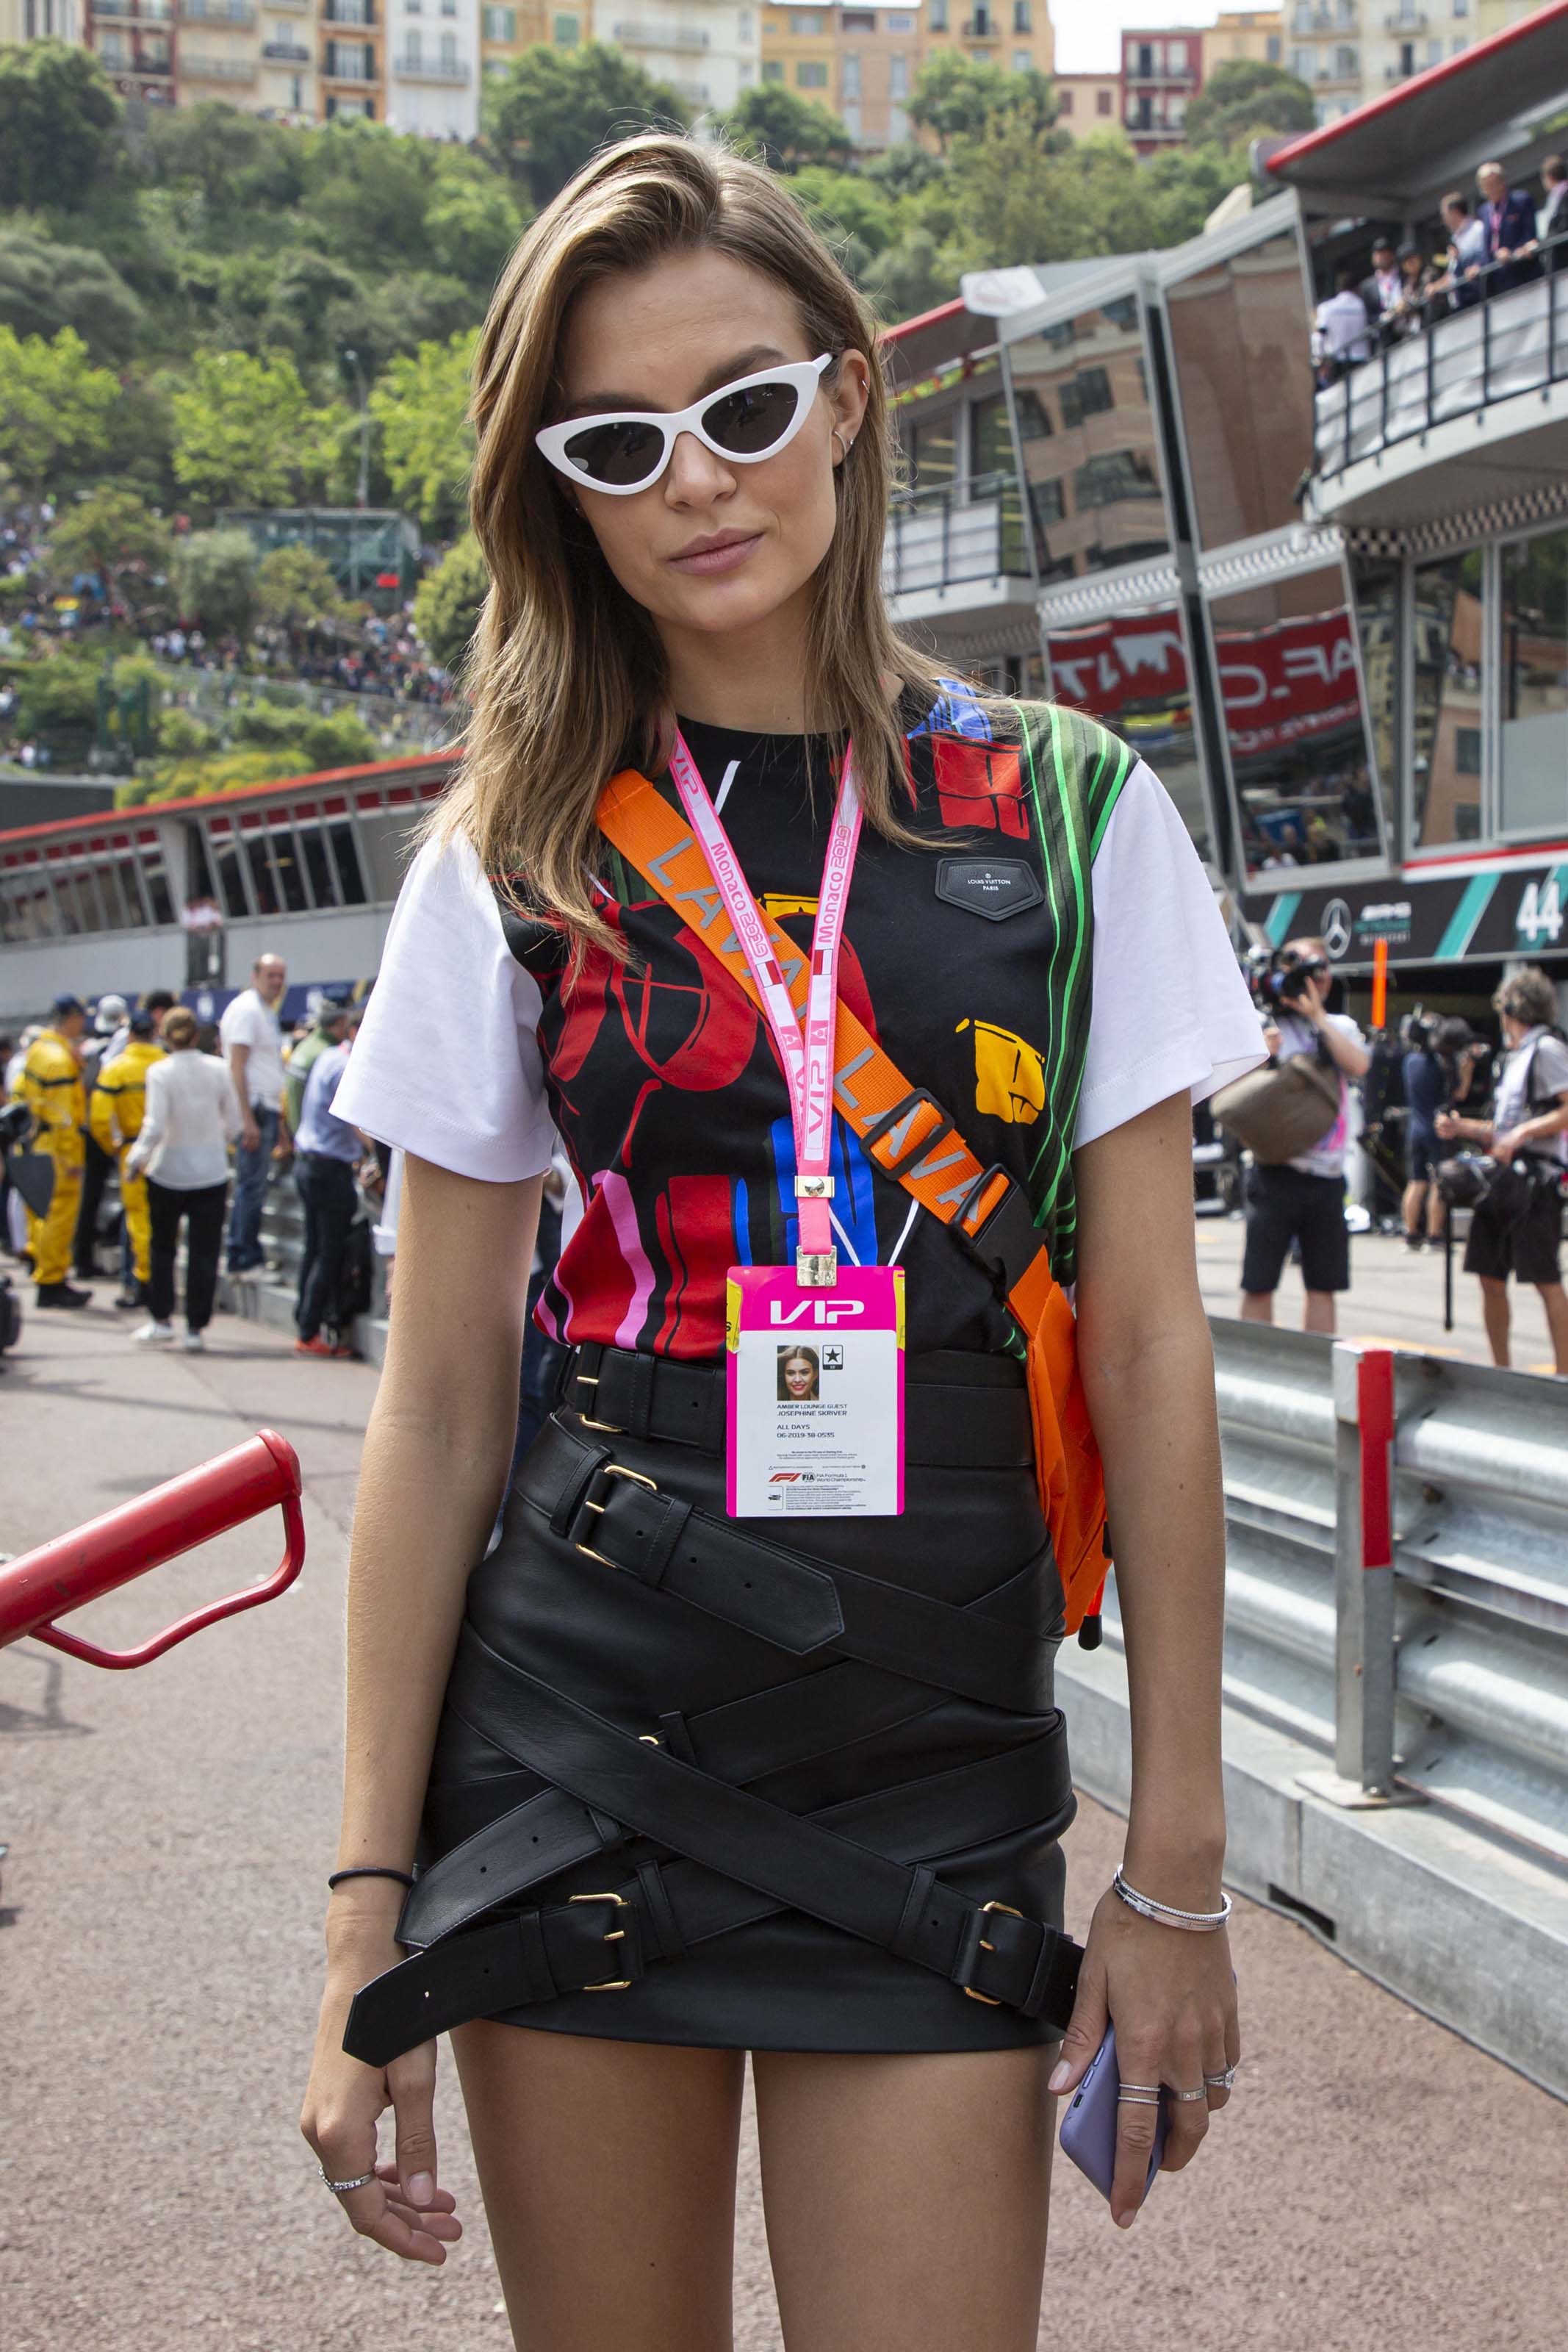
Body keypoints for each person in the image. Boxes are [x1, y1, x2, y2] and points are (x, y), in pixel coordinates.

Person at [302, 135, 1262, 2337]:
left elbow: (1147, 1351)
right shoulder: (512, 850)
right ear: (558, 484)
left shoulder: (1074, 804)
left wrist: (1176, 1870)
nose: (697, 481)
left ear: (844, 395)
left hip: (935, 1731)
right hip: (571, 1730)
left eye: (743, 405)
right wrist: (366, 1909)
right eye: (618, 441)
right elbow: (440, 1404)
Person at [1436, 968, 1568, 1376]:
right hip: (1500, 1181)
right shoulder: (1513, 1056)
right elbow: (1504, 1130)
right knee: (1489, 1276)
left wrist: (1525, 1133)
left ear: (1513, 1008)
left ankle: (1564, 1376)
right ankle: (1502, 1371)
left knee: (1545, 1279)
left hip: (1535, 1182)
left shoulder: (1547, 1048)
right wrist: (1463, 1128)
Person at [1239, 939, 1371, 1335]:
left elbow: (1359, 1065)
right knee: (1260, 1282)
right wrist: (1260, 1054)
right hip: (1275, 1172)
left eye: (1322, 971)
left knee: (1323, 1286)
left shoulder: (1338, 1027)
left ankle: (1320, 1375)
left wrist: (1317, 1016)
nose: (1316, 980)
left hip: (1328, 1179)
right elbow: (1234, 1095)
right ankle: (1257, 1369)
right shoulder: (1266, 1027)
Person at [125, 1005, 240, 1352]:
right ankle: (195, 1328)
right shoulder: (219, 1069)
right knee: (205, 1253)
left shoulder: (159, 1071)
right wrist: (217, 1141)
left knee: (162, 1248)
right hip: (211, 1171)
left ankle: (160, 1319)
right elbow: (233, 1122)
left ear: (165, 1035)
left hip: (167, 1172)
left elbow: (154, 1126)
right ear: (197, 1034)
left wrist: (135, 1159)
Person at [292, 1007, 364, 1360]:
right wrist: (372, 1160)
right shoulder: (346, 1065)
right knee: (328, 1252)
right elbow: (358, 1122)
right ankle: (308, 1330)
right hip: (328, 1168)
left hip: (310, 1161)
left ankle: (304, 1324)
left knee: (314, 1247)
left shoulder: (327, 1056)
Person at [14, 994, 90, 1309]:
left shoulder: (38, 1050)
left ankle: (46, 1273)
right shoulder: (59, 1060)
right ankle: (52, 1281)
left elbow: (19, 1093)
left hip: (34, 1143)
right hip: (56, 1151)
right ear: (71, 1018)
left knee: (41, 1216)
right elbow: (63, 1117)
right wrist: (71, 1158)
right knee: (58, 1218)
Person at [88, 1008, 166, 1309]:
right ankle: (155, 1282)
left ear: (131, 1034)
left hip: (132, 1151)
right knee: (161, 1219)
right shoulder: (165, 1063)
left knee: (137, 1219)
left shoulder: (116, 1069)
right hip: (164, 1151)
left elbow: (99, 1118)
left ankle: (140, 1283)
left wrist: (113, 1146)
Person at [220, 951, 289, 1278]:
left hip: (265, 1107)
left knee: (254, 1186)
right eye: (270, 975)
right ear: (255, 975)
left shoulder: (264, 1011)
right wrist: (246, 1118)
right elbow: (237, 1064)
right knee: (251, 1186)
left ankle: (246, 1254)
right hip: (256, 1108)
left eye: (280, 976)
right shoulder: (248, 1010)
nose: (277, 982)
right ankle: (243, 1258)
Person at [1400, 1016, 1480, 1252]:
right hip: (1438, 1129)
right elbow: (1460, 1093)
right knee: (1439, 1183)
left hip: (1415, 1128)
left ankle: (1411, 1234)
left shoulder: (1410, 1061)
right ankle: (1434, 1237)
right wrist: (1467, 1069)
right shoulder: (1443, 1065)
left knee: (1416, 1182)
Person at [72, 991, 129, 1280]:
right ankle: (86, 1258)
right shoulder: (114, 1051)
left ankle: (83, 1257)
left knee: (91, 1197)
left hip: (97, 1132)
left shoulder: (88, 1051)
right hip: (112, 1133)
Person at [284, 989, 353, 1133]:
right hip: (320, 1141)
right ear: (342, 1021)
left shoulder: (307, 1044)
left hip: (301, 1138)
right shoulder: (329, 1054)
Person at [1476, 160, 1539, 293]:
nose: (1491, 188)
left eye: (1494, 183)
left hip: (1523, 273)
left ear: (1503, 182)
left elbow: (1530, 235)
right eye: (1486, 185)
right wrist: (1477, 266)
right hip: (1499, 281)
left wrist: (1512, 252)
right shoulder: (1484, 211)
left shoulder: (1521, 200)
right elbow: (1487, 247)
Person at [1311, 265, 1375, 379]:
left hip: (1337, 363)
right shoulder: (1362, 307)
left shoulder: (1326, 309)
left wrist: (1320, 360)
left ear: (1338, 289)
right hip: (1362, 361)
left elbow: (1318, 337)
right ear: (1357, 289)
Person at [1358, 237, 1402, 341]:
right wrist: (1383, 317)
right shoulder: (1367, 286)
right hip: (1385, 336)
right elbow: (1368, 316)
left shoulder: (1403, 275)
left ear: (1392, 255)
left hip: (1407, 327)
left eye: (1384, 254)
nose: (1381, 257)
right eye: (1377, 254)